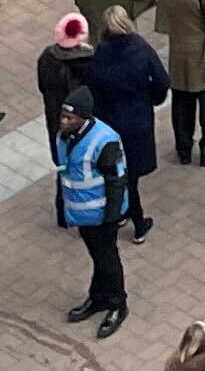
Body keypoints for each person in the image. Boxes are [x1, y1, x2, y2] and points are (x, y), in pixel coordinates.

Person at [58, 92, 136, 339]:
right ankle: (99, 297)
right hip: (82, 215)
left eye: (68, 117)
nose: (63, 121)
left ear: (82, 117)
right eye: (63, 116)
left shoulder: (104, 140)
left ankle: (117, 305)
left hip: (102, 216)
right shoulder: (67, 135)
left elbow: (116, 180)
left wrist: (111, 217)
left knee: (108, 260)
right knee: (98, 257)